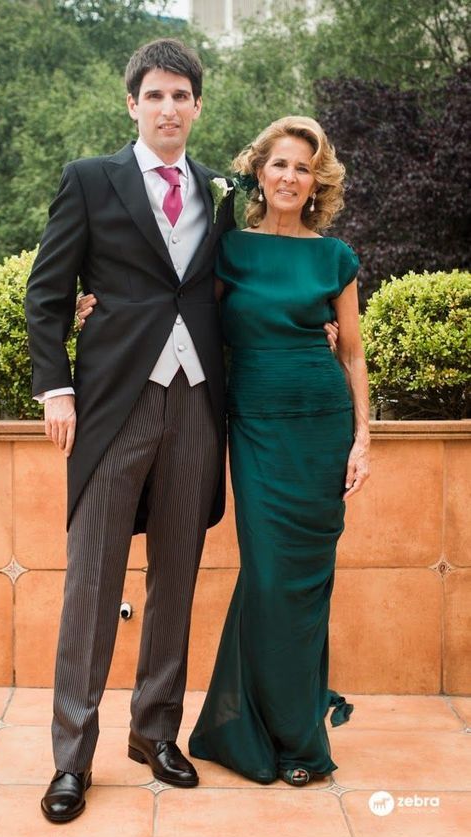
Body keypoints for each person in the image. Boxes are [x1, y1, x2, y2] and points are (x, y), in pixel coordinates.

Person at [25, 39, 237, 823]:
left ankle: (155, 732)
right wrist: (56, 386)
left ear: (198, 106)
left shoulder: (221, 192)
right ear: (132, 104)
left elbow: (231, 286)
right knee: (93, 584)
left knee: (177, 574)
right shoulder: (90, 180)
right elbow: (47, 293)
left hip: (198, 403)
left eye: (182, 95)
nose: (170, 108)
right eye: (155, 95)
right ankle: (71, 758)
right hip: (113, 402)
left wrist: (310, 327)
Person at [187, 116, 370, 786]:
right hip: (257, 427)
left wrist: (364, 437)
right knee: (268, 579)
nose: (290, 177)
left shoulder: (334, 257)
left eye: (303, 168)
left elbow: (351, 352)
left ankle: (297, 740)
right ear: (259, 173)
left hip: (321, 428)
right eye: (280, 165)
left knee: (304, 587)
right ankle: (258, 723)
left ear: (315, 181)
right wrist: (101, 307)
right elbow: (185, 314)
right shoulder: (230, 248)